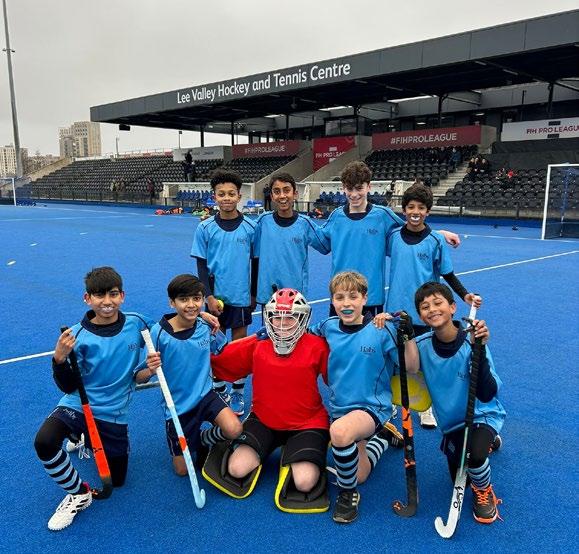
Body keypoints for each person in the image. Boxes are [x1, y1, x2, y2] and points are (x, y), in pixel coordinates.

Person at [33, 267, 154, 531]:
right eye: (99, 295)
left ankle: (84, 436)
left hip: (114, 412)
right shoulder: (75, 335)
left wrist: (201, 316)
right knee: (45, 441)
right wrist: (59, 359)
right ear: (87, 298)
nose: (107, 301)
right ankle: (79, 494)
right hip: (79, 404)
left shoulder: (137, 322)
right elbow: (67, 386)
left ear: (122, 296)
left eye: (113, 294)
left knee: (118, 480)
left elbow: (168, 330)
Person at [205, 288, 334, 511]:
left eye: (290, 317)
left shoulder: (318, 345)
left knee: (304, 482)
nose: (282, 323)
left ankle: (298, 450)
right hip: (264, 420)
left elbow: (341, 378)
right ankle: (284, 451)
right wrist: (193, 337)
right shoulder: (257, 343)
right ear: (268, 317)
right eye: (276, 317)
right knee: (236, 469)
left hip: (308, 422)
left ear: (302, 319)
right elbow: (220, 361)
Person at [309, 271, 417, 524]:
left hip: (372, 408)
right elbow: (300, 336)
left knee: (340, 433)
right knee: (359, 474)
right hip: (341, 409)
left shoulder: (382, 329)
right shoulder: (327, 327)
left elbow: (411, 367)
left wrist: (408, 334)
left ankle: (348, 495)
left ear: (365, 298)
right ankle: (383, 438)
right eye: (339, 297)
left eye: (353, 296)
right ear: (332, 301)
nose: (346, 303)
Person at [384, 184, 482, 429]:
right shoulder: (393, 237)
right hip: (395, 310)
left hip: (424, 314)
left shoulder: (436, 241)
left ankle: (425, 406)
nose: (415, 212)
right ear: (404, 210)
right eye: (410, 207)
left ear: (428, 211)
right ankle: (396, 400)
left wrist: (464, 295)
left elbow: (447, 273)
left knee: (422, 361)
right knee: (395, 357)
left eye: (421, 208)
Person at [413, 282, 505, 524]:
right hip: (453, 423)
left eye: (438, 303)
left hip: (482, 413)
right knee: (458, 474)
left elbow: (488, 393)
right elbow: (400, 362)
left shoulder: (472, 340)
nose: (432, 309)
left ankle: (484, 490)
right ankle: (489, 442)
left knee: (474, 457)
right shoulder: (421, 346)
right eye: (425, 307)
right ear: (420, 316)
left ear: (453, 307)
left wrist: (478, 349)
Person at [320, 161, 460, 317]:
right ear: (343, 188)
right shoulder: (336, 216)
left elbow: (412, 229)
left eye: (359, 188)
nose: (354, 194)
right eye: (349, 189)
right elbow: (321, 243)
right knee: (336, 332)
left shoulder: (383, 215)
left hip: (371, 297)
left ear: (369, 187)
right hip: (340, 295)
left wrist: (439, 233)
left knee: (371, 333)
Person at [136, 274, 242, 476]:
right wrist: (150, 370)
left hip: (206, 396)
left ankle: (202, 438)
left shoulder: (205, 326)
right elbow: (138, 377)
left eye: (196, 299)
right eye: (183, 299)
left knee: (234, 429)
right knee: (182, 470)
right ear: (172, 302)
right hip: (178, 406)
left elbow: (224, 351)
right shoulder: (158, 334)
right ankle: (196, 440)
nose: (191, 305)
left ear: (202, 300)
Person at [191, 169, 257, 416]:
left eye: (231, 193)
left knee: (239, 348)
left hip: (241, 296)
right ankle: (219, 390)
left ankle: (238, 392)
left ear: (239, 196)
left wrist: (253, 294)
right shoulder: (205, 228)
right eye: (221, 194)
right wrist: (207, 296)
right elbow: (201, 266)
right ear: (214, 197)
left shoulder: (251, 227)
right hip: (214, 298)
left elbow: (256, 263)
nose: (226, 198)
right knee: (216, 347)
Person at [253, 172, 329, 308]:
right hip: (269, 295)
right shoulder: (263, 222)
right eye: (277, 191)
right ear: (272, 196)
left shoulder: (305, 224)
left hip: (295, 297)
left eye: (286, 190)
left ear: (295, 194)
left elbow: (325, 246)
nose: (282, 195)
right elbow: (252, 254)